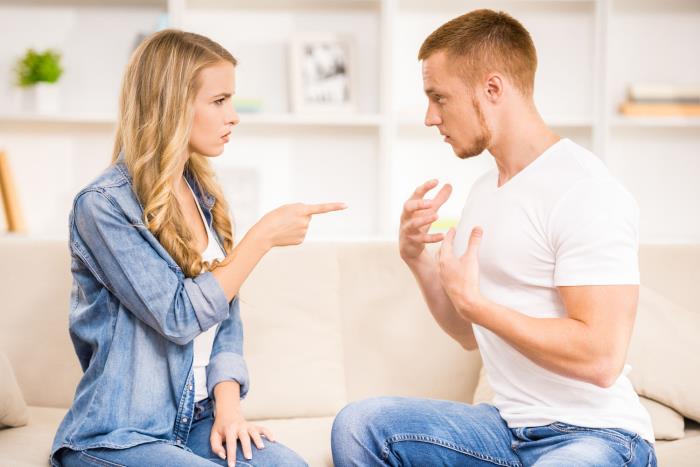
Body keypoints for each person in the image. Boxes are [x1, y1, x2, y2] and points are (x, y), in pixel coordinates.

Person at [331, 9, 656, 467]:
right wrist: (415, 257)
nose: (429, 117)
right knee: (361, 426)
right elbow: (469, 333)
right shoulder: (486, 191)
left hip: (597, 435)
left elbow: (602, 359)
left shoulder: (585, 189)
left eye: (439, 97)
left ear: (492, 89)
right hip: (506, 429)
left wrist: (478, 305)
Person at [51, 29, 345, 467]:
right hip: (119, 435)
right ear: (170, 105)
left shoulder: (202, 192)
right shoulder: (102, 206)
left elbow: (226, 318)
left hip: (198, 420)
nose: (233, 116)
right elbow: (180, 316)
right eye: (219, 100)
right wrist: (262, 237)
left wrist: (229, 412)